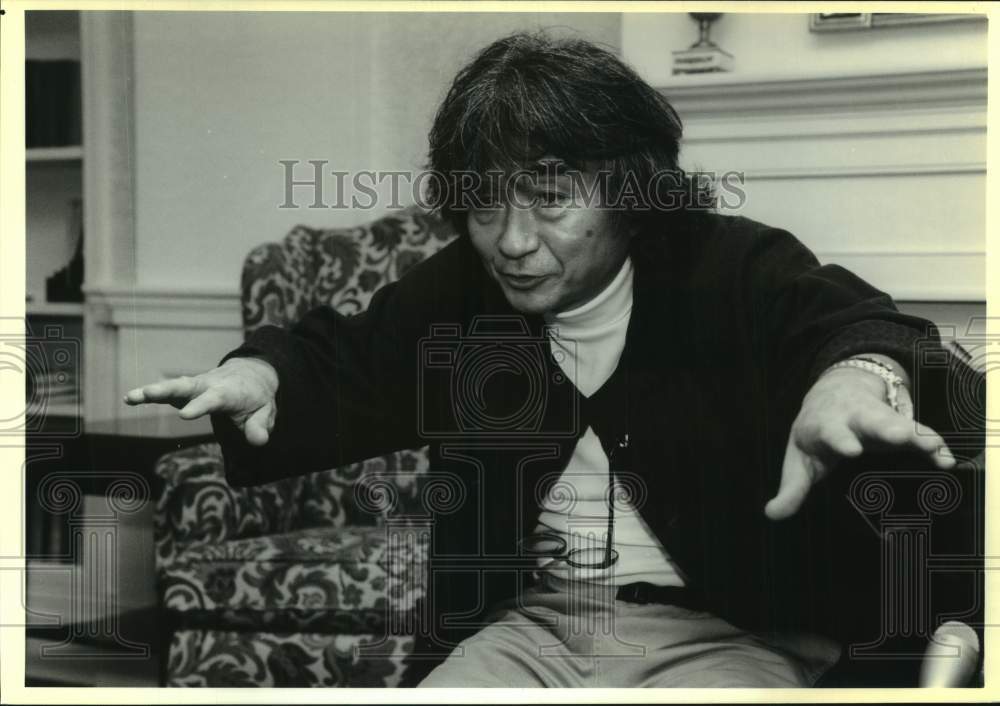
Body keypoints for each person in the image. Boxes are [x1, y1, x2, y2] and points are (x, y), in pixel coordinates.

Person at [125, 32, 984, 687]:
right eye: (484, 205)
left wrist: (857, 377)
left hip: (735, 633)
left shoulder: (731, 267)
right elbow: (343, 355)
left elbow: (861, 328)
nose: (512, 241)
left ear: (633, 192)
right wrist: (260, 375)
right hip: (530, 630)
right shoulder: (462, 293)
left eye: (549, 198)